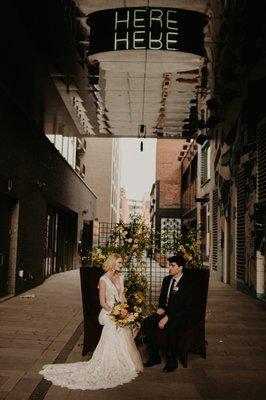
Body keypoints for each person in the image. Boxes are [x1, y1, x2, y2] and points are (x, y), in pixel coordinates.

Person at [39, 253, 143, 390]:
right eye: (119, 263)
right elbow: (102, 302)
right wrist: (115, 313)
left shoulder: (120, 277)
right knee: (113, 327)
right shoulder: (103, 279)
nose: (121, 265)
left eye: (121, 263)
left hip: (120, 309)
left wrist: (124, 307)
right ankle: (109, 362)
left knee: (125, 331)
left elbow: (123, 298)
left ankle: (124, 361)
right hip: (108, 311)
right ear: (112, 263)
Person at [143, 254, 194, 373]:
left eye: (172, 265)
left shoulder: (187, 282)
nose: (169, 268)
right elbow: (162, 299)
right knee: (147, 322)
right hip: (166, 312)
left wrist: (167, 317)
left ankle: (172, 361)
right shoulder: (167, 280)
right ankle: (155, 357)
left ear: (180, 267)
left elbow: (185, 307)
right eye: (169, 265)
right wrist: (160, 308)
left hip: (181, 315)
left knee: (172, 326)